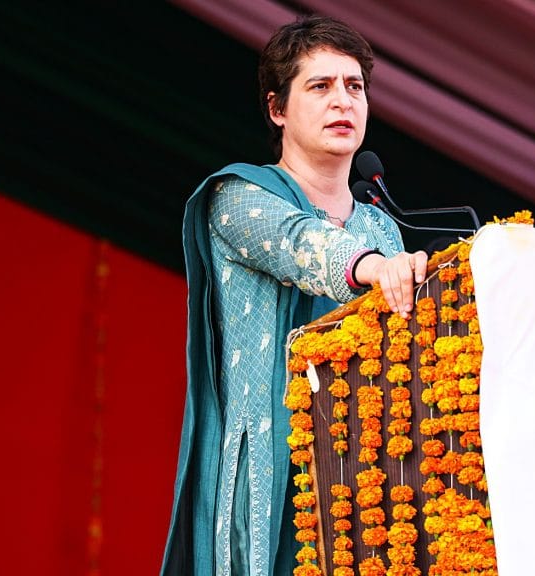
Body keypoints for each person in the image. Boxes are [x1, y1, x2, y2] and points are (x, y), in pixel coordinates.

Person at [160, 15, 428, 576]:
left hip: (363, 488)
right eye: (320, 86)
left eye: (354, 87)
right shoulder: (237, 198)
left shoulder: (382, 229)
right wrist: (372, 267)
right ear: (277, 109)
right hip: (269, 485)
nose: (343, 102)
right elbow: (298, 244)